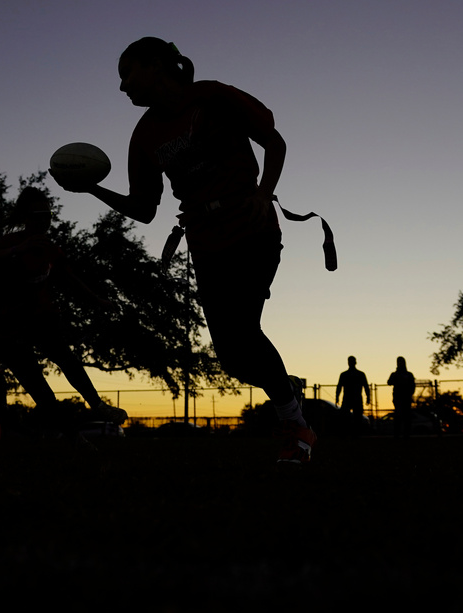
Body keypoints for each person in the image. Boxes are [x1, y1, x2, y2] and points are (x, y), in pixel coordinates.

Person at [51, 37, 315, 464]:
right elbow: (143, 208)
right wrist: (92, 187)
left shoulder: (213, 96)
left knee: (245, 331)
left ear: (156, 65)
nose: (122, 87)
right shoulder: (143, 136)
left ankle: (296, 425)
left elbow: (275, 142)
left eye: (127, 73)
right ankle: (283, 387)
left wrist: (264, 195)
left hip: (251, 228)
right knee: (231, 358)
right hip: (205, 243)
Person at [0, 187, 127, 435]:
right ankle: (70, 438)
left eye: (47, 215)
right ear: (26, 217)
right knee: (41, 389)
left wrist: (98, 300)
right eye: (37, 215)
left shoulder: (50, 249)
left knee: (66, 358)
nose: (43, 221)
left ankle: (97, 404)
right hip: (7, 328)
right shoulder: (10, 242)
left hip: (40, 318)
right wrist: (16, 250)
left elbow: (71, 279)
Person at [335, 356, 370, 429]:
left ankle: (348, 432)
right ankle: (354, 433)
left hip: (348, 398)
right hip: (354, 398)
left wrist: (337, 397)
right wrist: (368, 397)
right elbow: (366, 387)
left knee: (347, 417)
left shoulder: (344, 374)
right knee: (356, 417)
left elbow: (339, 387)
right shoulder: (360, 374)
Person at [387, 356, 416, 438]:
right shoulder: (395, 374)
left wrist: (410, 394)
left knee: (406, 417)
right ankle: (397, 434)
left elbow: (413, 386)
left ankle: (406, 434)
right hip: (398, 398)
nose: (400, 363)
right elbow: (389, 382)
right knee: (399, 417)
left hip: (405, 398)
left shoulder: (408, 375)